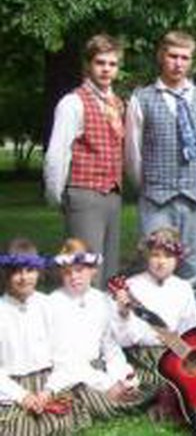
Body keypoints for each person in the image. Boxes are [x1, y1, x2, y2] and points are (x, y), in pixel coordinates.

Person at [125, 30, 196, 313]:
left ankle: (195, 325)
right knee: (156, 262)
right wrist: (150, 185)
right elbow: (133, 152)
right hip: (156, 195)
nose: (178, 63)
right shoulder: (142, 98)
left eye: (185, 58)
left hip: (195, 194)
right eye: (173, 56)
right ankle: (155, 330)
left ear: (191, 62)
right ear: (161, 57)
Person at [44, 34, 125, 284]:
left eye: (112, 64)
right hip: (84, 193)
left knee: (110, 271)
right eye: (100, 62)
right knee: (85, 270)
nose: (106, 69)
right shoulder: (73, 102)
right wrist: (57, 195)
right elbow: (57, 154)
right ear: (88, 65)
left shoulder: (116, 103)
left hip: (112, 194)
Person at [46, 238, 150, 421]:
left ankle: (120, 392)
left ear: (93, 270)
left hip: (98, 369)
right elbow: (64, 358)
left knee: (133, 388)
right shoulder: (54, 303)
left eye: (80, 270)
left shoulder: (101, 300)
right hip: (70, 373)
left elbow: (110, 346)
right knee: (93, 399)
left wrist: (121, 375)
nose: (74, 277)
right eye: (67, 272)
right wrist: (106, 384)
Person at [0, 238, 87, 435]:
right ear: (6, 274)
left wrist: (48, 391)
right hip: (10, 386)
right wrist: (21, 396)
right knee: (16, 426)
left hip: (46, 381)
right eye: (16, 272)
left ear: (38, 272)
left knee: (57, 419)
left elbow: (64, 354)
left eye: (29, 271)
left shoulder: (48, 306)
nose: (24, 278)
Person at [110, 227, 196, 390]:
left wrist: (179, 345)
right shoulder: (132, 286)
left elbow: (191, 329)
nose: (161, 262)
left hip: (174, 353)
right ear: (147, 257)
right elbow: (122, 340)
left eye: (168, 256)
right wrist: (123, 314)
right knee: (148, 384)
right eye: (155, 255)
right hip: (139, 355)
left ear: (178, 259)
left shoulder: (183, 288)